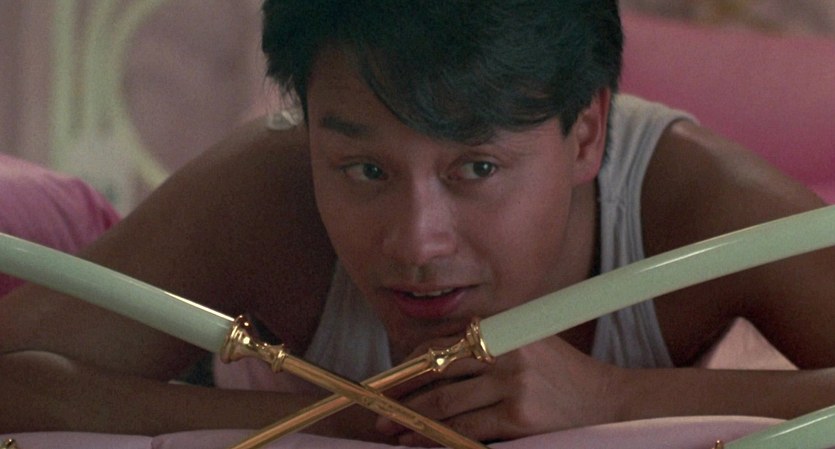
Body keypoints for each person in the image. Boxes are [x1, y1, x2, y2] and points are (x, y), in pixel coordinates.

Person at [2, 0, 834, 446]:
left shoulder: (696, 202)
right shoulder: (264, 190)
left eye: (476, 168)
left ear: (585, 134)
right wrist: (350, 418)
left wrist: (612, 396)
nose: (415, 241)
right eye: (364, 170)